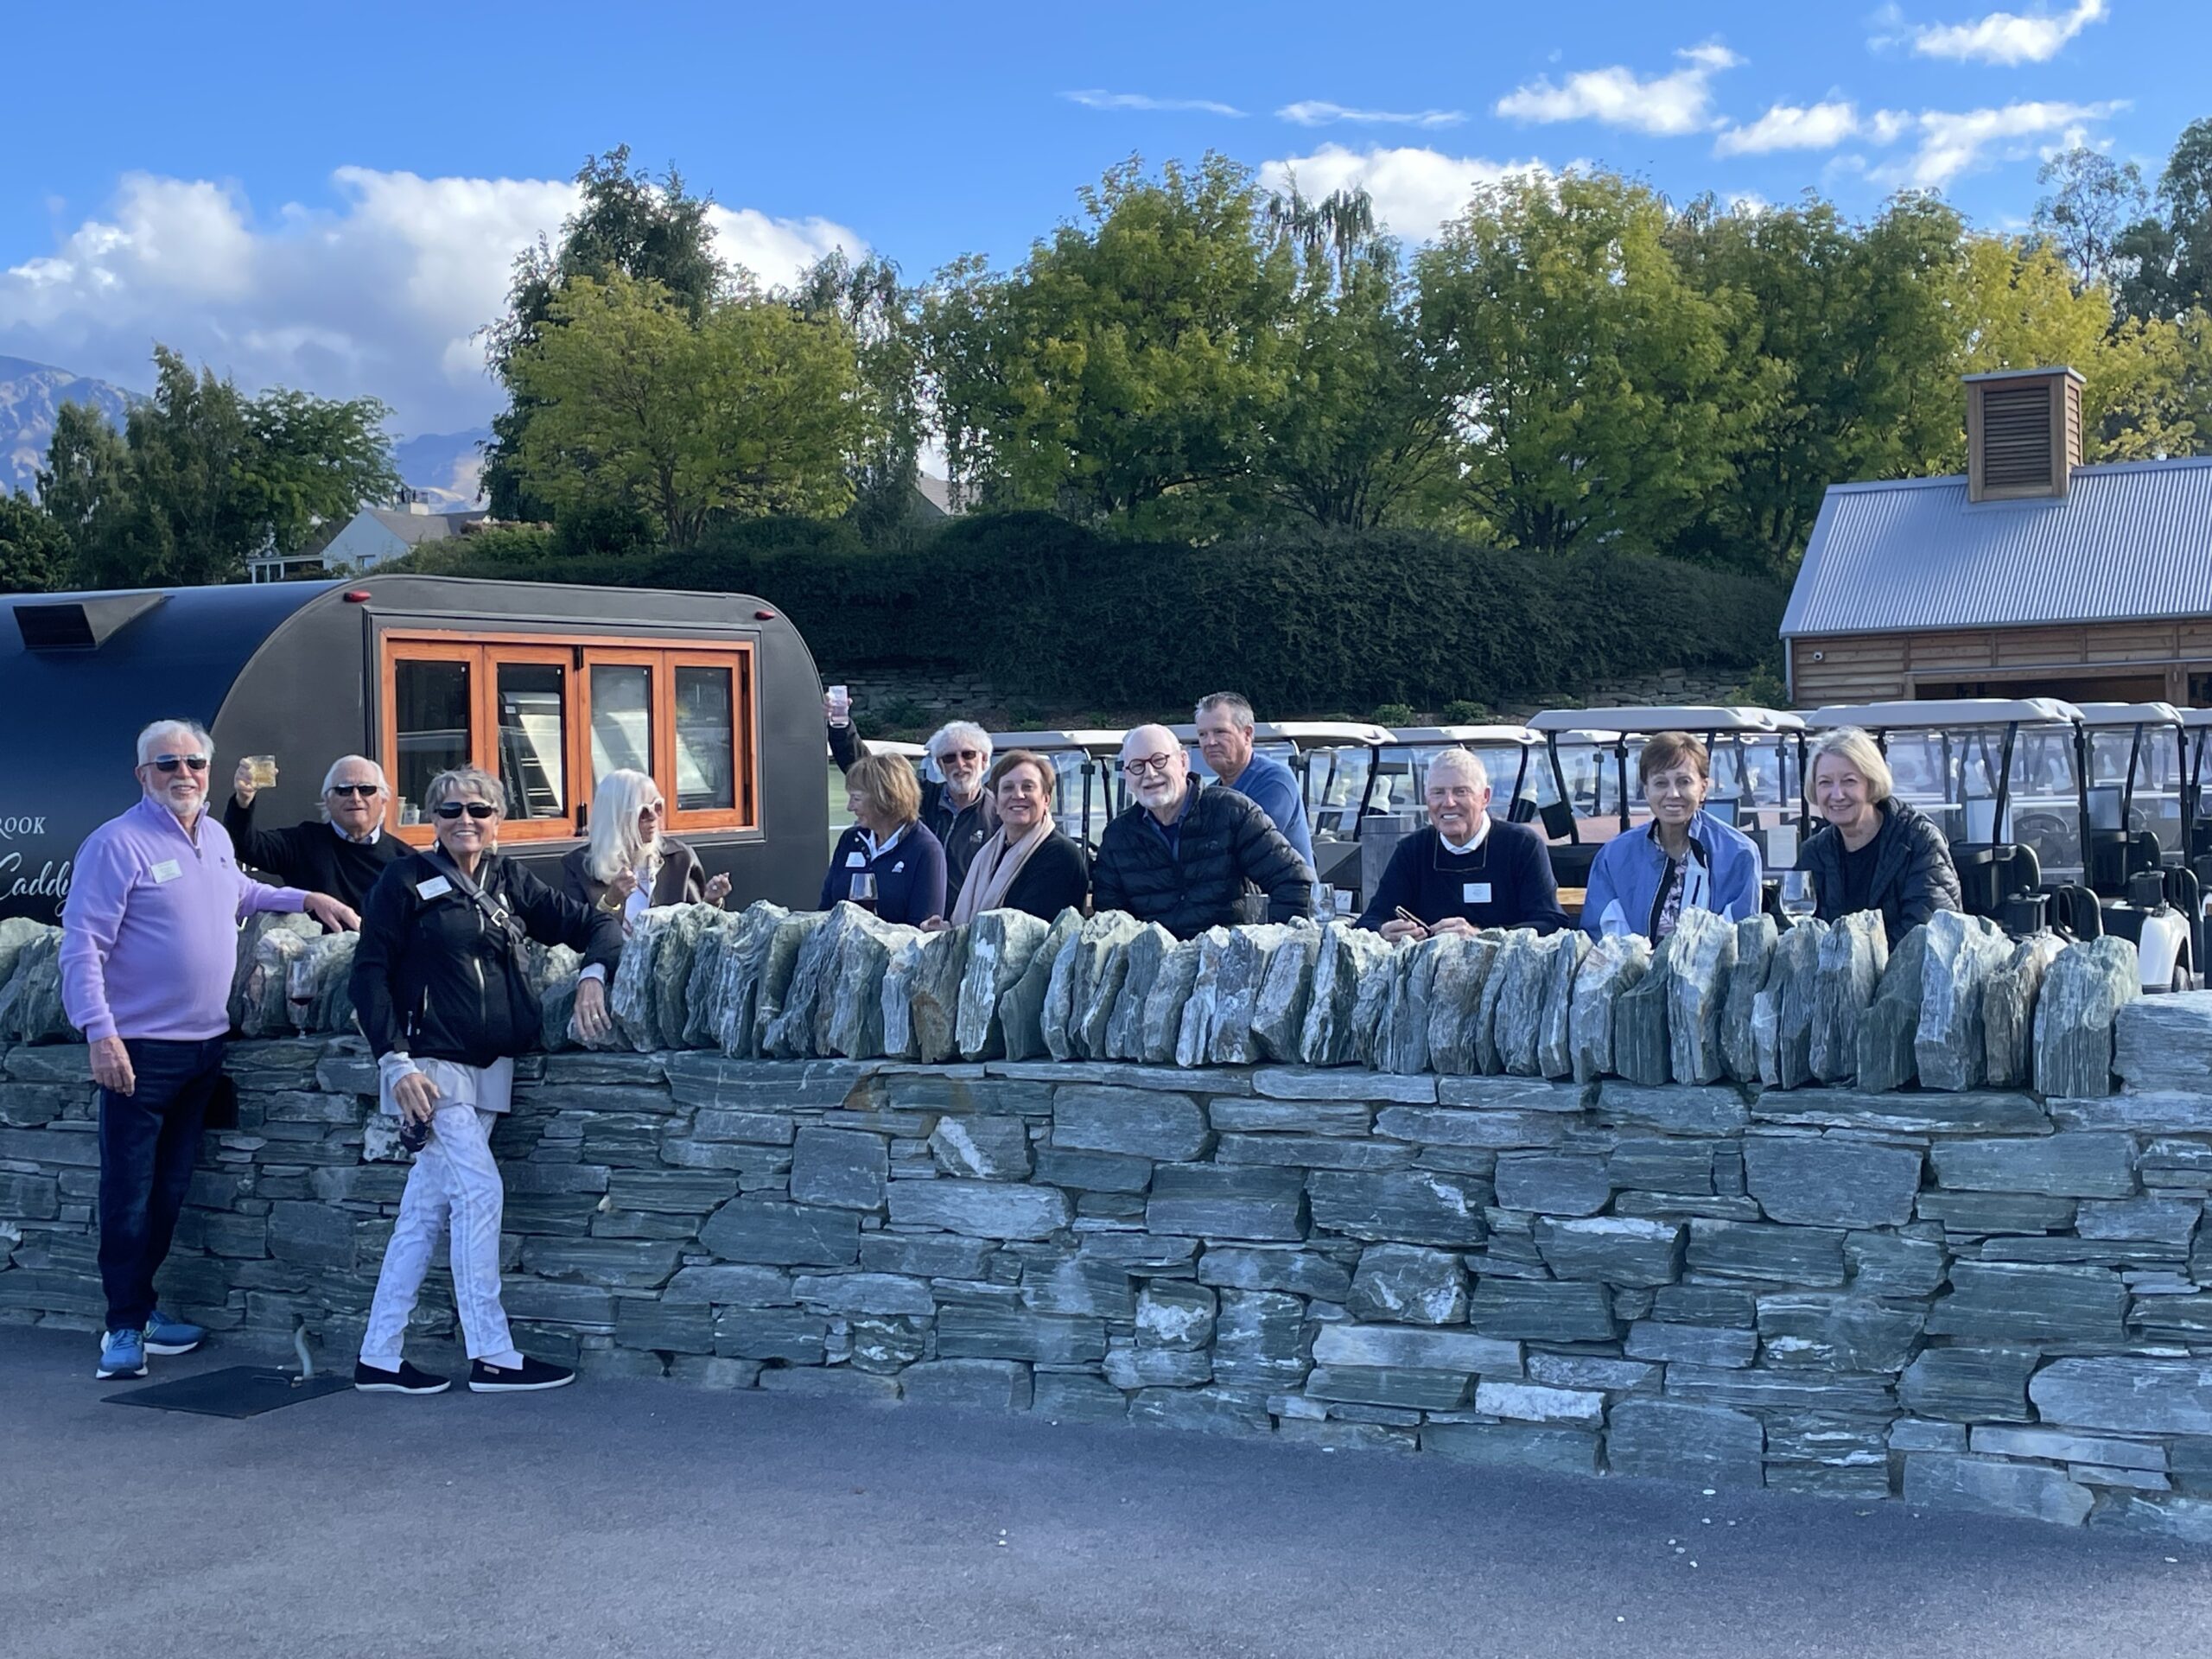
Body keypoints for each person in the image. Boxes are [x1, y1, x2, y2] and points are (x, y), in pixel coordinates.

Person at [60, 719, 358, 1382]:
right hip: (138, 1051)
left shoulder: (216, 837)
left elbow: (240, 894)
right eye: (168, 763)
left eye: (195, 762)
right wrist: (99, 1033)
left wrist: (305, 896)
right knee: (128, 1194)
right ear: (142, 774)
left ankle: (144, 1310)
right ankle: (122, 1327)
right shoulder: (115, 844)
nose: (184, 773)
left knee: (170, 1192)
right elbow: (81, 947)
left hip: (203, 1050)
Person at [350, 766, 623, 1396]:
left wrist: (593, 976)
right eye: (450, 810)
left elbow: (596, 926)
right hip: (430, 1069)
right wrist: (395, 1062)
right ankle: (492, 1353)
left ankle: (379, 1355)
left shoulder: (509, 880)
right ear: (432, 819)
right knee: (479, 1192)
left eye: (479, 809)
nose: (465, 820)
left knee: (424, 1212)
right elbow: (369, 972)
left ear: (498, 818)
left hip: (492, 1067)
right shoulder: (402, 880)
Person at [1091, 725, 1313, 939]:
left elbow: (1295, 881)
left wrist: (1269, 944)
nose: (1150, 773)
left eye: (1159, 760)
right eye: (1137, 766)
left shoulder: (1232, 812)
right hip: (1155, 961)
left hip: (1229, 958)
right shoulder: (1117, 837)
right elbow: (1110, 921)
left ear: (1183, 762)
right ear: (1127, 776)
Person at [1357, 748, 1567, 938]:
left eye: (1461, 791)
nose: (1448, 803)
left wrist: (1481, 937)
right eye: (1438, 792)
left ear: (1485, 797)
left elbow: (1551, 923)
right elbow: (1369, 921)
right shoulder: (1412, 850)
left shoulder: (1522, 846)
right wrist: (1383, 931)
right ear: (1426, 798)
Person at [1580, 732, 1764, 940]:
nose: (1673, 794)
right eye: (1661, 783)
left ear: (1703, 788)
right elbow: (1602, 939)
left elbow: (1742, 939)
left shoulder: (1739, 853)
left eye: (1684, 782)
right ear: (1646, 790)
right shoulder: (1614, 856)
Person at [826, 697, 997, 903]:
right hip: (917, 915)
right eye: (949, 758)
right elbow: (871, 775)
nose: (960, 764)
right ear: (939, 765)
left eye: (968, 755)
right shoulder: (918, 798)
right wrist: (841, 725)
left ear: (984, 759)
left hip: (967, 918)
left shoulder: (999, 814)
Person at [1798, 728, 1962, 938]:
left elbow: (1930, 933)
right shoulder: (1814, 852)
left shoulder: (1918, 842)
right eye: (1825, 783)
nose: (1837, 794)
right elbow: (1789, 926)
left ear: (1872, 782)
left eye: (1849, 781)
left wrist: (1851, 950)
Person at [223, 753, 407, 912]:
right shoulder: (302, 844)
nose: (356, 798)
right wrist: (243, 801)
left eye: (366, 790)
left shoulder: (405, 860)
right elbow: (244, 845)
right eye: (344, 790)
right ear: (327, 800)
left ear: (383, 799)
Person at [557, 768, 732, 927]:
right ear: (617, 817)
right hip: (611, 953)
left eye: (658, 807)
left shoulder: (680, 858)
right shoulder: (579, 866)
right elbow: (573, 935)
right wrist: (610, 902)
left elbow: (696, 930)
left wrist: (711, 902)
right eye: (644, 812)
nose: (654, 817)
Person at [939, 750, 1089, 925]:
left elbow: (1031, 931)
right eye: (1008, 788)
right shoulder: (989, 853)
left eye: (1028, 787)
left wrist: (962, 936)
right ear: (996, 802)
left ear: (1046, 800)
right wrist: (945, 930)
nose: (1018, 795)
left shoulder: (1061, 855)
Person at [822, 753, 947, 926]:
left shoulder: (926, 850)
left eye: (856, 798)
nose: (850, 807)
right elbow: (825, 912)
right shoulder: (850, 840)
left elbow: (923, 931)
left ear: (885, 797)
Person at [1195, 692, 1315, 872]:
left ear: (1247, 734)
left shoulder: (1274, 781)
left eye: (1220, 732)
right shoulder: (1210, 794)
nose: (1210, 742)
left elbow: (1251, 845)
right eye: (1202, 734)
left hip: (1286, 889)